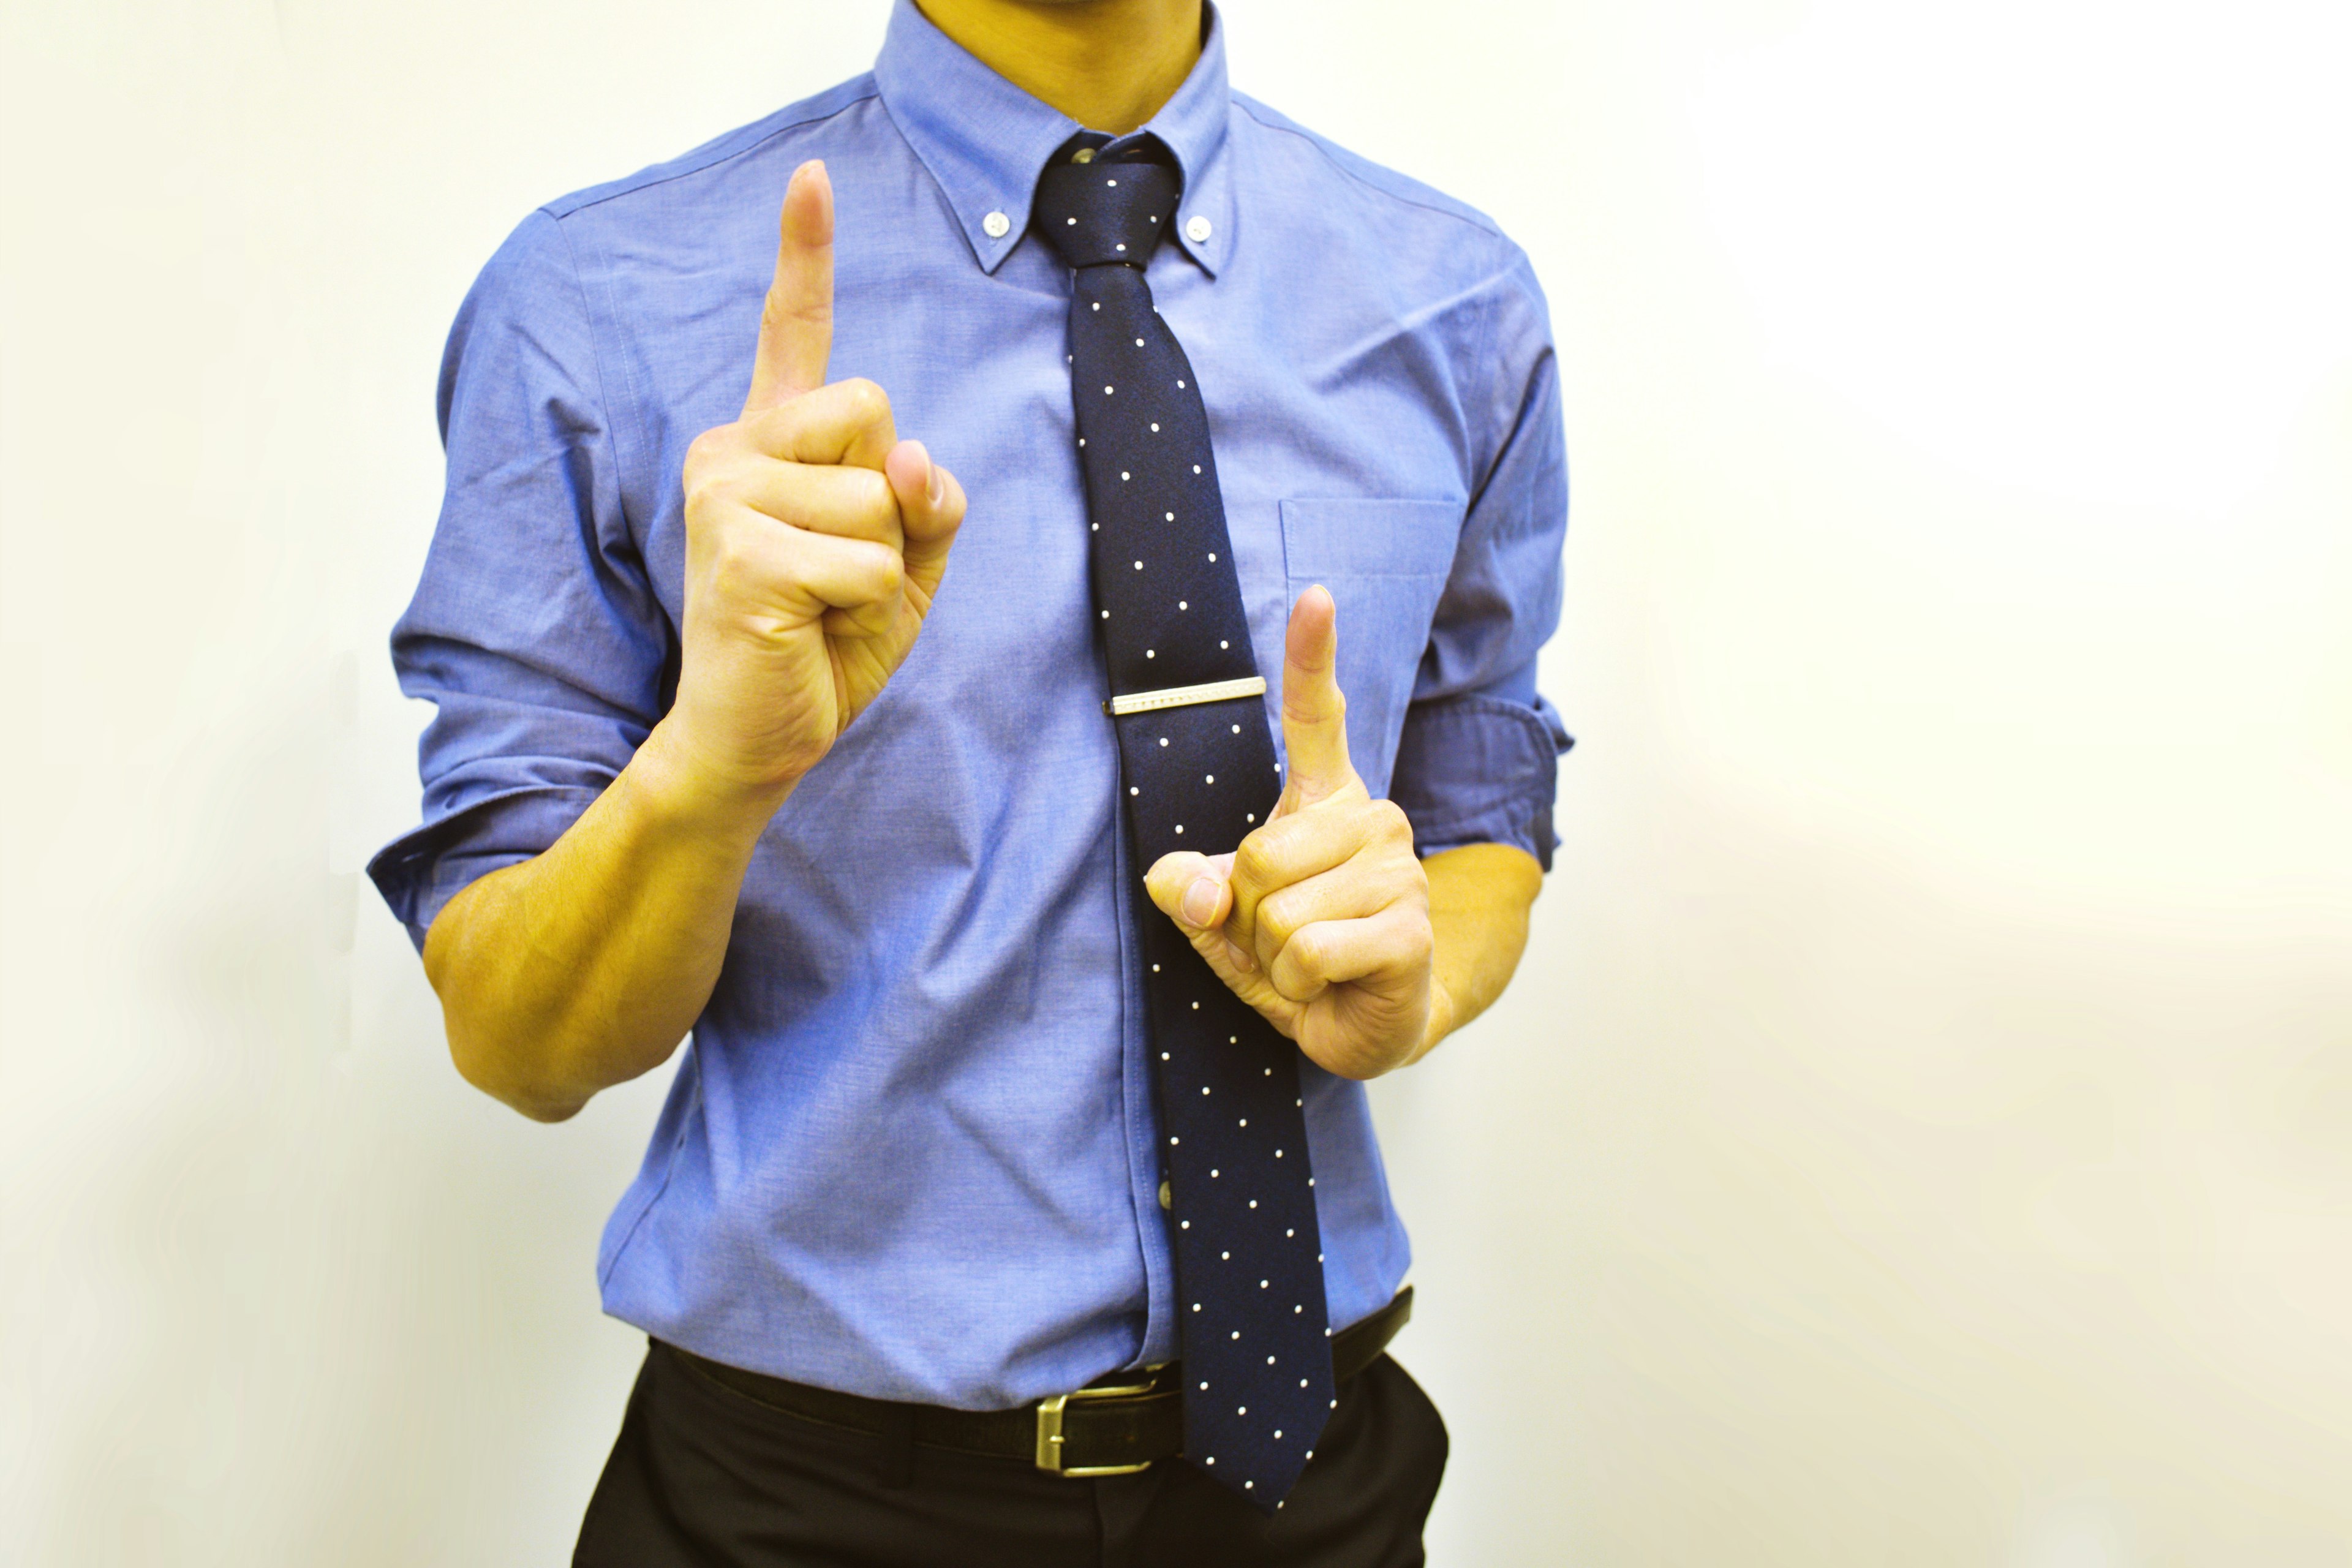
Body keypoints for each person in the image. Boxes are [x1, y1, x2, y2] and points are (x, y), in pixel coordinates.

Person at [369, 0, 1569, 1560]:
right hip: (802, 1506)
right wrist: (715, 767)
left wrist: (1415, 974)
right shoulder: (600, 303)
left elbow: (1486, 809)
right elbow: (516, 1037)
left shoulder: (1454, 301)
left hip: (1316, 1478)